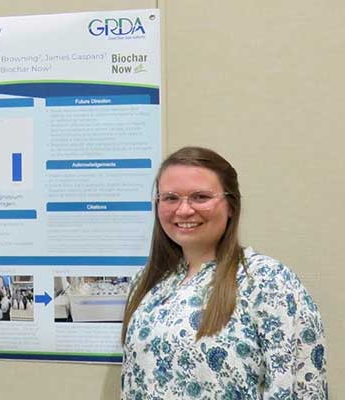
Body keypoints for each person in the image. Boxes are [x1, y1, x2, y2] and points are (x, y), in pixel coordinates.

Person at [120, 147, 327, 398]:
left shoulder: (268, 281)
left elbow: (299, 387)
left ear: (231, 205)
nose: (183, 210)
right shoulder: (147, 283)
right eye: (171, 198)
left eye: (200, 197)